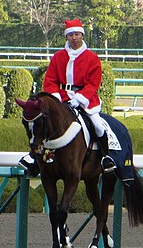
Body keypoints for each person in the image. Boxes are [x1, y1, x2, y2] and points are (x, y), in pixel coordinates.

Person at [19, 18, 116, 177]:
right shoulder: (58, 57)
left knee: (98, 125)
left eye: (77, 34)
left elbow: (93, 83)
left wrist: (79, 98)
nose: (74, 38)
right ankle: (34, 158)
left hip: (85, 100)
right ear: (66, 37)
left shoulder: (92, 57)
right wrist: (56, 97)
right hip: (61, 98)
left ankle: (106, 158)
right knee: (44, 124)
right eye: (71, 35)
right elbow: (50, 79)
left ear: (82, 35)